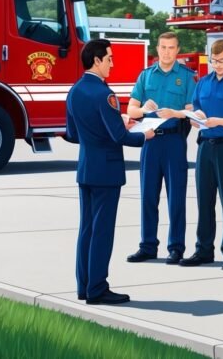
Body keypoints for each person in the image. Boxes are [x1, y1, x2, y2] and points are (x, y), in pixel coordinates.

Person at [65, 39, 154, 305]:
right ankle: (98, 288)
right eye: (110, 59)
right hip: (106, 172)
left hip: (86, 168)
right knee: (102, 232)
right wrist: (144, 135)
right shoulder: (104, 94)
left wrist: (115, 123)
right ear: (97, 60)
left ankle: (84, 286)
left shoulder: (75, 91)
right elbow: (119, 137)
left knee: (87, 231)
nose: (112, 64)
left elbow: (72, 134)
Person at [126, 32, 196, 266]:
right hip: (151, 141)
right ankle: (147, 246)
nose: (167, 52)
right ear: (157, 49)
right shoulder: (146, 76)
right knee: (148, 196)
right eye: (163, 47)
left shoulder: (187, 77)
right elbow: (131, 110)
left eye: (172, 47)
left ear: (178, 50)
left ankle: (176, 247)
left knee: (176, 197)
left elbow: (192, 111)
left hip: (174, 142)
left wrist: (176, 113)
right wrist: (144, 109)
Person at [180, 39, 223, 270]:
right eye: (213, 60)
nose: (216, 65)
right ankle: (203, 249)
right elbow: (197, 108)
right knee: (204, 200)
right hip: (205, 146)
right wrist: (197, 117)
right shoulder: (204, 82)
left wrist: (217, 121)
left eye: (221, 60)